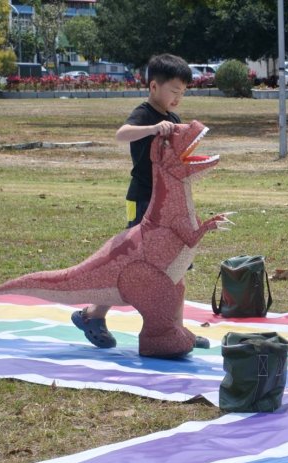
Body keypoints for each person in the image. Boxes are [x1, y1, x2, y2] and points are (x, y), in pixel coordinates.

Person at [72, 53, 209, 350]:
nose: (178, 97)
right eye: (174, 91)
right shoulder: (145, 113)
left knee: (176, 269)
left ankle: (176, 327)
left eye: (183, 92)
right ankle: (92, 314)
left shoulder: (173, 119)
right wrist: (151, 129)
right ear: (153, 87)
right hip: (142, 199)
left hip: (167, 205)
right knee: (133, 264)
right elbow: (121, 134)